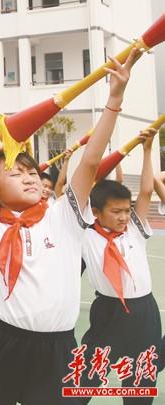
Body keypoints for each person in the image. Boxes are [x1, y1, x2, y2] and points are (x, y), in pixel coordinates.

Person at [0, 49, 140, 405]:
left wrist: (114, 100)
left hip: (57, 349)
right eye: (16, 173)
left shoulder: (62, 215)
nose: (29, 178)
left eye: (32, 172)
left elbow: (91, 162)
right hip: (2, 343)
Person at [74, 128, 160, 404]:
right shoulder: (86, 233)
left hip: (143, 312)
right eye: (117, 212)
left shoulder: (134, 229)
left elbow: (147, 190)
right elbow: (81, 187)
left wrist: (147, 150)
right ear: (96, 212)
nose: (124, 217)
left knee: (139, 383)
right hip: (108, 312)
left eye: (127, 210)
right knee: (86, 377)